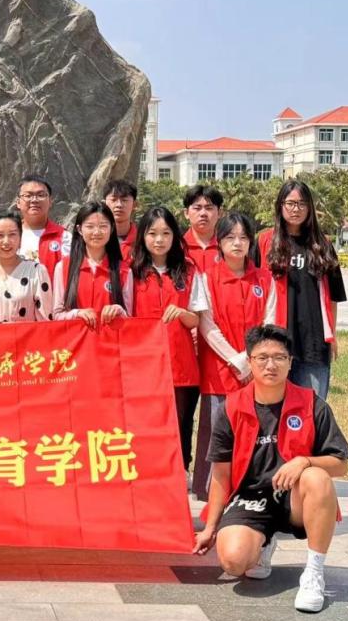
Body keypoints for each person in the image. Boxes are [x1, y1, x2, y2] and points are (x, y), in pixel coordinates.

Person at [194, 324, 348, 613]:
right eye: (262, 358)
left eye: (279, 357)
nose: (271, 365)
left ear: (291, 363)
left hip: (293, 498)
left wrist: (305, 461)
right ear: (249, 361)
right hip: (251, 498)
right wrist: (210, 528)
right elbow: (221, 475)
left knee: (317, 477)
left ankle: (313, 573)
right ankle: (262, 544)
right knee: (233, 561)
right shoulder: (231, 408)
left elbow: (340, 464)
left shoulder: (312, 405)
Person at [191, 212, 276, 501]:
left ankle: (251, 489)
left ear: (251, 242)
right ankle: (210, 493)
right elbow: (207, 324)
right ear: (220, 241)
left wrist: (252, 359)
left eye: (243, 237)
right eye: (230, 237)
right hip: (219, 369)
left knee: (255, 429)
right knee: (216, 430)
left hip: (256, 370)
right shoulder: (206, 278)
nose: (237, 243)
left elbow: (269, 322)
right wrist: (237, 359)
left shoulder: (264, 279)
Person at [125, 206, 206, 477]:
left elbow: (196, 320)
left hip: (181, 364)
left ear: (175, 236)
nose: (159, 240)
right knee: (146, 424)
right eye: (152, 233)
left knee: (181, 424)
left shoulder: (189, 271)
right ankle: (149, 477)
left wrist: (182, 313)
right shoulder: (131, 272)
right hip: (143, 366)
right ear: (143, 236)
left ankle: (180, 476)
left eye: (166, 233)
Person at [259, 180, 347, 400]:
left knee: (311, 409)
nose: (295, 209)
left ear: (309, 207)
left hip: (313, 343)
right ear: (280, 206)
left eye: (301, 203)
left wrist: (332, 335)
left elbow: (333, 297)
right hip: (275, 340)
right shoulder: (265, 242)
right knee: (273, 409)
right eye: (290, 203)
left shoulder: (322, 245)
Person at [52, 202, 128, 328]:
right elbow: (56, 315)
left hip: (110, 339)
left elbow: (130, 318)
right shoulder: (63, 267)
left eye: (103, 226)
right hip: (76, 339)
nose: (97, 232)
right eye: (90, 226)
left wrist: (119, 310)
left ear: (112, 228)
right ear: (79, 229)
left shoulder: (124, 270)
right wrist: (76, 313)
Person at [0, 210, 52, 323]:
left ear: (20, 238)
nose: (6, 241)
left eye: (12, 235)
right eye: (0, 235)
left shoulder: (36, 271)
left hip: (26, 334)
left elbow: (45, 320)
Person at [15, 174, 71, 277]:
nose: (34, 200)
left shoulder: (64, 237)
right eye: (28, 196)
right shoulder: (8, 234)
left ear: (50, 201)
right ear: (18, 202)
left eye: (41, 195)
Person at [182, 185, 223, 272]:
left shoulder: (227, 246)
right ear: (186, 213)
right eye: (197, 208)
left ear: (219, 213)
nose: (203, 213)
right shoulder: (177, 247)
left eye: (209, 208)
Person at [103, 179, 139, 263]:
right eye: (113, 200)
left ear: (135, 205)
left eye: (124, 200)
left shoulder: (142, 239)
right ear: (104, 204)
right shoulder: (95, 239)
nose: (119, 205)